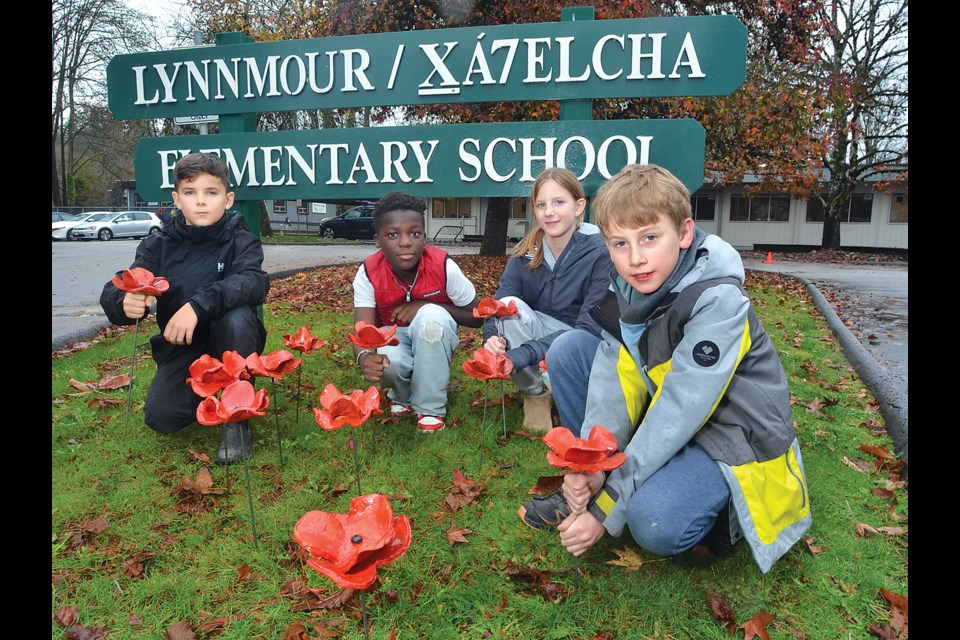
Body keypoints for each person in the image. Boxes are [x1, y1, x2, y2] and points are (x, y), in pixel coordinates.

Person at [519, 164, 811, 574]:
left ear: (685, 233)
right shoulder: (625, 286)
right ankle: (627, 484)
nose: (635, 258)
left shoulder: (719, 299)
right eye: (620, 243)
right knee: (571, 351)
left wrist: (605, 508)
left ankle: (725, 514)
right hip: (674, 412)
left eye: (650, 238)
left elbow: (679, 410)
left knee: (653, 522)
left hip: (731, 434)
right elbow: (612, 381)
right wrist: (591, 467)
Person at [100, 152, 269, 464]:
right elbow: (122, 283)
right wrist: (124, 301)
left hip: (232, 339)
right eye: (191, 193)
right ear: (177, 199)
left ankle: (236, 416)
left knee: (237, 316)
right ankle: (206, 394)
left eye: (211, 192)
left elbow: (254, 282)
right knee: (163, 417)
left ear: (228, 199)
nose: (201, 202)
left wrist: (198, 305)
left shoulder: (240, 238)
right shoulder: (158, 244)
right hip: (183, 348)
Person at [481, 167, 612, 433]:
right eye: (541, 205)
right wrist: (491, 338)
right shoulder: (525, 252)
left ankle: (567, 390)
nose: (549, 212)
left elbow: (589, 328)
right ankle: (536, 393)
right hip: (540, 334)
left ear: (579, 206)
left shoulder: (601, 250)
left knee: (573, 346)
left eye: (558, 202)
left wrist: (522, 354)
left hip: (584, 340)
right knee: (510, 308)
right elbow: (497, 304)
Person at [352, 192, 483, 433]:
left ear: (424, 236)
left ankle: (430, 409)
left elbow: (477, 316)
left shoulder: (443, 266)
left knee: (431, 318)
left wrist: (427, 305)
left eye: (415, 233)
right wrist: (364, 359)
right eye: (392, 234)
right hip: (394, 338)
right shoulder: (368, 272)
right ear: (377, 240)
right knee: (386, 359)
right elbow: (363, 332)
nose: (405, 242)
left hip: (434, 334)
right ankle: (402, 395)